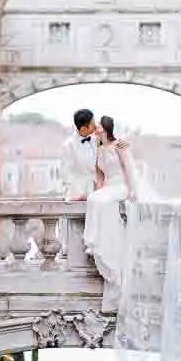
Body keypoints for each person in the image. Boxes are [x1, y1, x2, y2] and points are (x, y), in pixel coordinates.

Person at [82, 115, 147, 284]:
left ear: (105, 128)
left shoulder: (119, 145)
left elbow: (130, 168)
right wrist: (96, 189)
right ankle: (92, 241)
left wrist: (133, 190)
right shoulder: (98, 148)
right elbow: (99, 176)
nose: (96, 127)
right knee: (93, 198)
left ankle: (93, 240)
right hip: (108, 187)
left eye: (99, 125)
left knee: (99, 200)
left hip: (121, 187)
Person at [59, 108, 99, 201]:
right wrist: (78, 194)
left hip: (97, 192)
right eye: (93, 124)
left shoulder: (97, 140)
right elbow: (66, 174)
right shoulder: (68, 146)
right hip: (79, 194)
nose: (95, 126)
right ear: (84, 129)